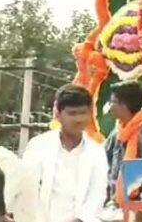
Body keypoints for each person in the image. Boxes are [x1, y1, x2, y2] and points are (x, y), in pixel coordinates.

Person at [23, 84, 108, 222]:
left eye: (83, 113)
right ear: (58, 114)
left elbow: (97, 195)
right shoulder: (38, 146)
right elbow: (28, 190)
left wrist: (80, 220)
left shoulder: (97, 152)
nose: (78, 119)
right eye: (72, 113)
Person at [104, 82, 142, 208]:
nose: (110, 106)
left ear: (123, 105)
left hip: (137, 205)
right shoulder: (119, 130)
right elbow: (103, 159)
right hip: (116, 203)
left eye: (113, 102)